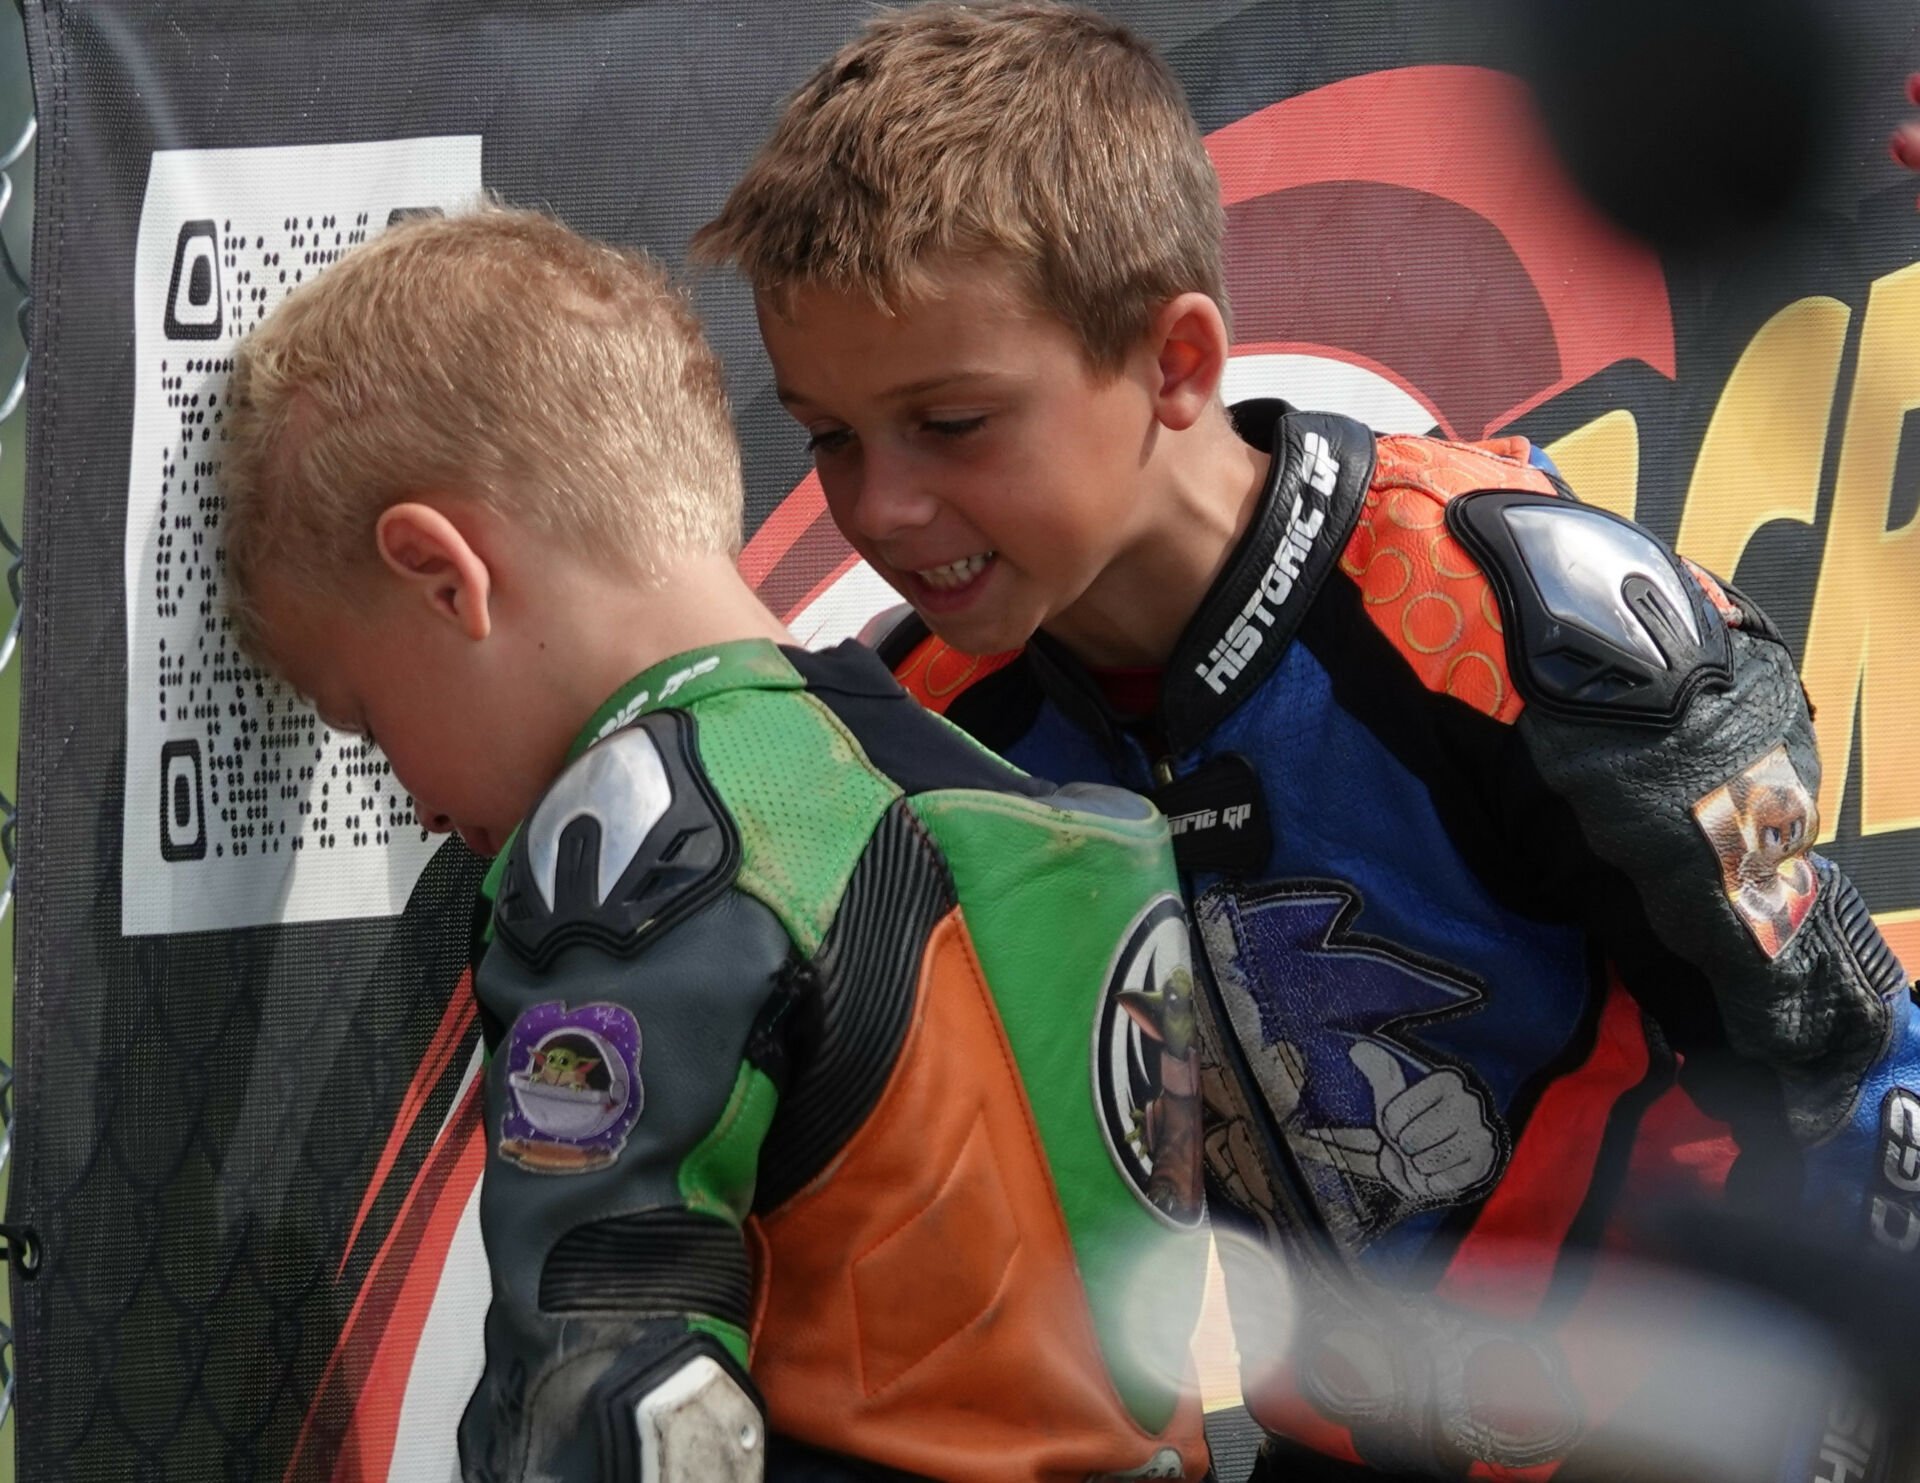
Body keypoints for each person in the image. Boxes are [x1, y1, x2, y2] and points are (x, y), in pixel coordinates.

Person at [693, 5, 1920, 1477]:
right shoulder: (926, 725)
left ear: (1175, 363)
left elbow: (1843, 1052)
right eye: (828, 437)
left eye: (950, 421)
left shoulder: (1514, 609)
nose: (879, 507)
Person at [218, 205, 1214, 1483]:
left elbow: (609, 1378)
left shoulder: (641, 855)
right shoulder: (1028, 798)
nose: (408, 800)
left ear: (440, 575)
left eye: (367, 717)